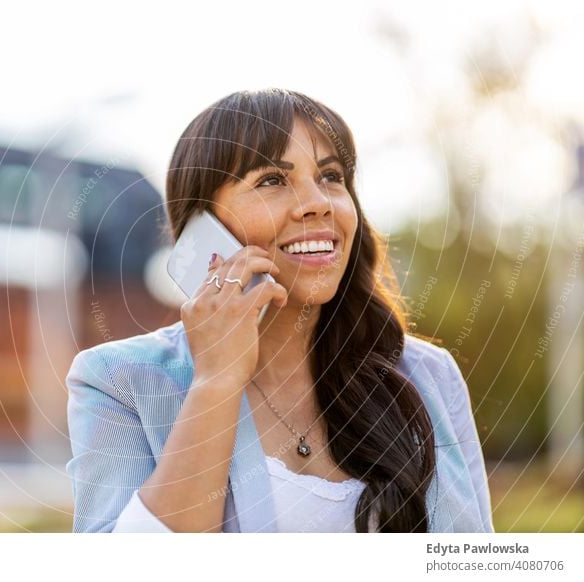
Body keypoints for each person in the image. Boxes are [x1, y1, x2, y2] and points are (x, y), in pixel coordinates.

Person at [65, 88, 494, 533]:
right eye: (271, 180)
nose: (320, 202)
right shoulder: (120, 381)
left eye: (331, 177)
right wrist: (216, 381)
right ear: (200, 230)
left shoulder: (427, 376)